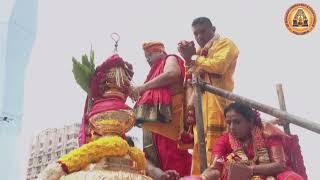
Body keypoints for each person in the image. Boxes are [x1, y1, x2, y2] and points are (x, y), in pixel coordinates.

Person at [178, 17, 239, 174]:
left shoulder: (226, 44)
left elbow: (219, 66)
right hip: (200, 105)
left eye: (203, 31)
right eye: (195, 33)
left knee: (216, 146)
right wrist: (187, 59)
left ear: (213, 29)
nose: (199, 36)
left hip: (218, 103)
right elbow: (190, 78)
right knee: (200, 148)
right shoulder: (198, 52)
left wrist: (192, 57)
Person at [183, 102, 305, 180]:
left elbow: (279, 165)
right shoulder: (224, 141)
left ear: (250, 122)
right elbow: (216, 168)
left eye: (237, 122)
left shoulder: (268, 133)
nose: (231, 127)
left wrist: (249, 170)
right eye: (229, 123)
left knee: (292, 178)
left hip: (273, 175)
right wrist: (203, 178)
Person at [132, 41, 192, 179]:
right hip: (153, 129)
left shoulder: (170, 58)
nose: (147, 58)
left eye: (150, 54)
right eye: (145, 56)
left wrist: (142, 88)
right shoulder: (152, 75)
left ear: (161, 52)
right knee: (154, 166)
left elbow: (172, 73)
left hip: (169, 125)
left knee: (174, 161)